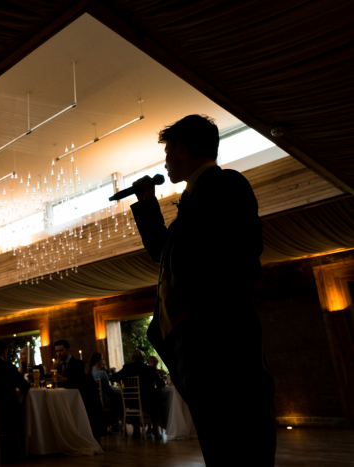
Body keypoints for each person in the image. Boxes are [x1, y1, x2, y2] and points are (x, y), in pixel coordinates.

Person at [131, 115, 276, 465]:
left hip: (220, 345)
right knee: (220, 446)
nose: (165, 160)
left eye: (167, 150)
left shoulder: (224, 185)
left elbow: (240, 259)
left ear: (181, 146)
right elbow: (163, 252)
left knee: (239, 445)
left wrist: (200, 315)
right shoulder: (194, 201)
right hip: (201, 348)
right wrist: (148, 205)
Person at [111, 349, 165, 437]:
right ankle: (155, 427)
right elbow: (161, 384)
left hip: (131, 402)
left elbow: (113, 378)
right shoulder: (149, 369)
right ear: (142, 358)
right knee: (156, 399)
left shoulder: (127, 368)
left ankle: (135, 428)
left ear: (132, 358)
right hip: (148, 403)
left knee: (126, 400)